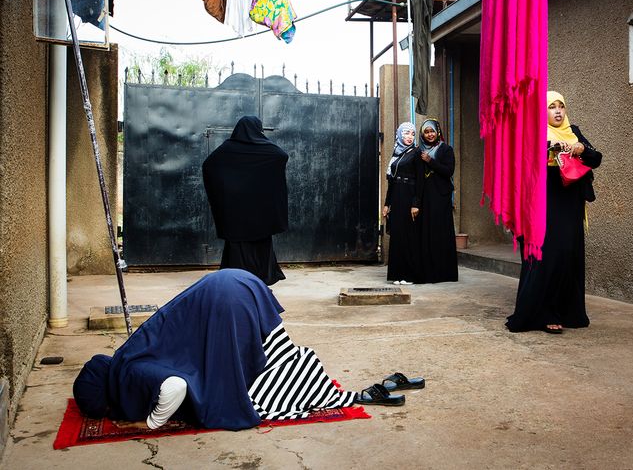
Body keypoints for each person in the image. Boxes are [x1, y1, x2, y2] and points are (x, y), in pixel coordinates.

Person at [72, 269, 401, 431]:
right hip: (241, 281)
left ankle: (325, 391)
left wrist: (152, 422)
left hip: (226, 301)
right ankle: (343, 391)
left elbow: (176, 385)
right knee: (279, 356)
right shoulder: (127, 354)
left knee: (249, 393)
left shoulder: (130, 373)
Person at [506, 91, 602, 334]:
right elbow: (522, 160)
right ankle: (544, 312)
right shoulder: (535, 132)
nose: (558, 111)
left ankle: (568, 311)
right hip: (543, 200)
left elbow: (596, 158)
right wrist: (550, 148)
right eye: (551, 107)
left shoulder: (573, 131)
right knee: (547, 255)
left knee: (569, 254)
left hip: (570, 200)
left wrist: (579, 147)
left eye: (561, 106)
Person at [202, 115, 289, 286]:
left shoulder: (227, 149)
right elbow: (281, 155)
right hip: (260, 214)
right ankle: (262, 280)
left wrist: (228, 189)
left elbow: (208, 165)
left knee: (237, 248)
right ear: (258, 130)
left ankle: (236, 282)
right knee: (260, 245)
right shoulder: (266, 150)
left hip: (236, 214)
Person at [416, 119, 458, 283]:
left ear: (438, 132)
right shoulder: (419, 151)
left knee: (441, 233)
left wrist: (430, 161)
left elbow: (448, 171)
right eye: (426, 132)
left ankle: (444, 273)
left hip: (441, 197)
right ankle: (428, 272)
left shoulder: (446, 149)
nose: (430, 134)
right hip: (426, 197)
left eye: (432, 131)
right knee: (426, 233)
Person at [383, 122, 423, 285]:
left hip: (409, 196)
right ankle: (398, 274)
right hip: (397, 197)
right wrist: (387, 204)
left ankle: (409, 275)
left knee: (408, 236)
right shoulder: (397, 153)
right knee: (398, 236)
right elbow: (392, 182)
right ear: (399, 135)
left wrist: (416, 203)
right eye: (406, 133)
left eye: (412, 134)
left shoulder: (416, 152)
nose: (409, 137)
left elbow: (420, 181)